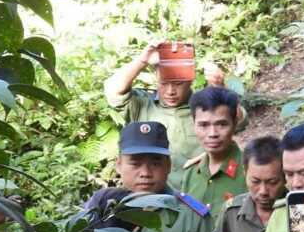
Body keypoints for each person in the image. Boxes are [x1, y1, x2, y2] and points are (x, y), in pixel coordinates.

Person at [103, 41, 242, 188]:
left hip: (199, 194)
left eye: (178, 84)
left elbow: (238, 119)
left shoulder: (203, 110)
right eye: (164, 83)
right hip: (154, 196)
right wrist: (142, 61)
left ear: (190, 80)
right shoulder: (142, 105)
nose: (170, 91)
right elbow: (113, 92)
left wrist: (220, 89)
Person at [218, 136, 286, 232]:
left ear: (285, 176)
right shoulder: (231, 212)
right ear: (245, 174)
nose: (263, 191)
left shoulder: (299, 210)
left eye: (272, 182)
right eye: (255, 181)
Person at [177, 87, 246, 221]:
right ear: (194, 125)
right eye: (203, 125)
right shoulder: (191, 173)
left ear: (235, 123)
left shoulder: (250, 172)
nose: (212, 133)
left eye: (221, 124)